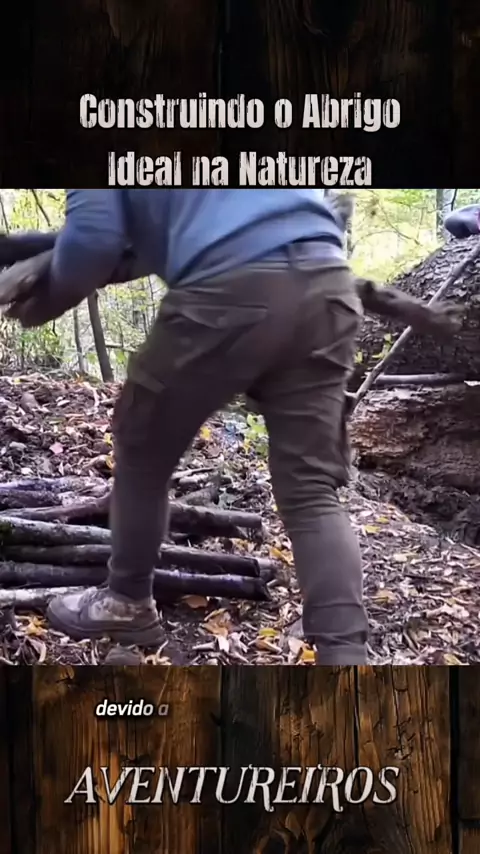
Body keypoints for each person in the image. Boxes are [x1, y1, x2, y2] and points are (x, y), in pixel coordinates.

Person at [0, 190, 458, 665]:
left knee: (142, 453)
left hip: (228, 290)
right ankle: (345, 660)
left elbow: (94, 242)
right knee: (311, 492)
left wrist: (41, 303)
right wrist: (43, 253)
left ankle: (127, 602)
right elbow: (147, 244)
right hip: (328, 288)